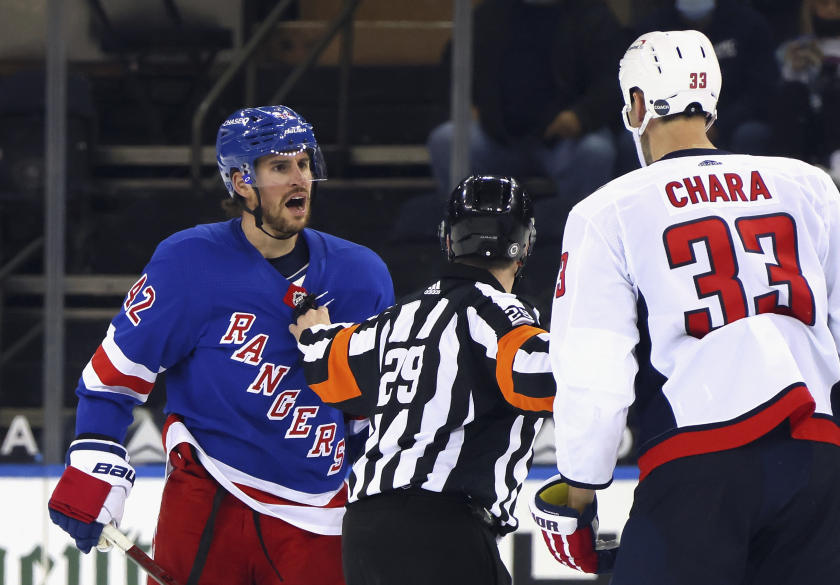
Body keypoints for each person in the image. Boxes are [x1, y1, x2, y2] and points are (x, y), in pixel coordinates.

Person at [530, 30, 840, 584]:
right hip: (812, 464)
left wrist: (580, 491)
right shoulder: (807, 184)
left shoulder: (608, 211)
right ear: (709, 98)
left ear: (638, 105)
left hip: (696, 469)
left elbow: (594, 370)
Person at [47, 105, 394, 585]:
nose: (299, 180)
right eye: (279, 167)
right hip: (211, 494)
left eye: (304, 164)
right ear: (240, 182)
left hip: (320, 511)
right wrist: (94, 458)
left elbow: (372, 415)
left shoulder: (362, 276)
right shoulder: (189, 263)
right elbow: (116, 375)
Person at [290, 175, 555, 585]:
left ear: (448, 241)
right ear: (525, 247)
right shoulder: (498, 312)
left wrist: (313, 333)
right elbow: (539, 377)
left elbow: (329, 370)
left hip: (365, 532)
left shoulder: (399, 317)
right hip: (444, 529)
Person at [426, 0, 625, 302]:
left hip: (564, 137)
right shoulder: (491, 13)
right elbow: (453, 63)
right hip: (498, 134)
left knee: (595, 152)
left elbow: (613, 80)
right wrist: (470, 105)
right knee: (447, 140)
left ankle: (580, 254)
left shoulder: (590, 14)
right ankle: (466, 253)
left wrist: (582, 116)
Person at [631, 0, 779, 157]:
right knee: (636, 139)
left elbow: (762, 88)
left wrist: (717, 125)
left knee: (749, 133)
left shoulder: (748, 23)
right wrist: (679, 124)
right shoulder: (655, 28)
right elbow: (639, 86)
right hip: (673, 118)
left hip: (735, 118)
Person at [772, 0, 840, 200]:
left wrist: (832, 76)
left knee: (836, 89)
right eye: (825, 4)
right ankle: (790, 175)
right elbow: (775, 100)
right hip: (805, 123)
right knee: (791, 91)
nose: (832, 10)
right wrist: (794, 69)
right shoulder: (790, 50)